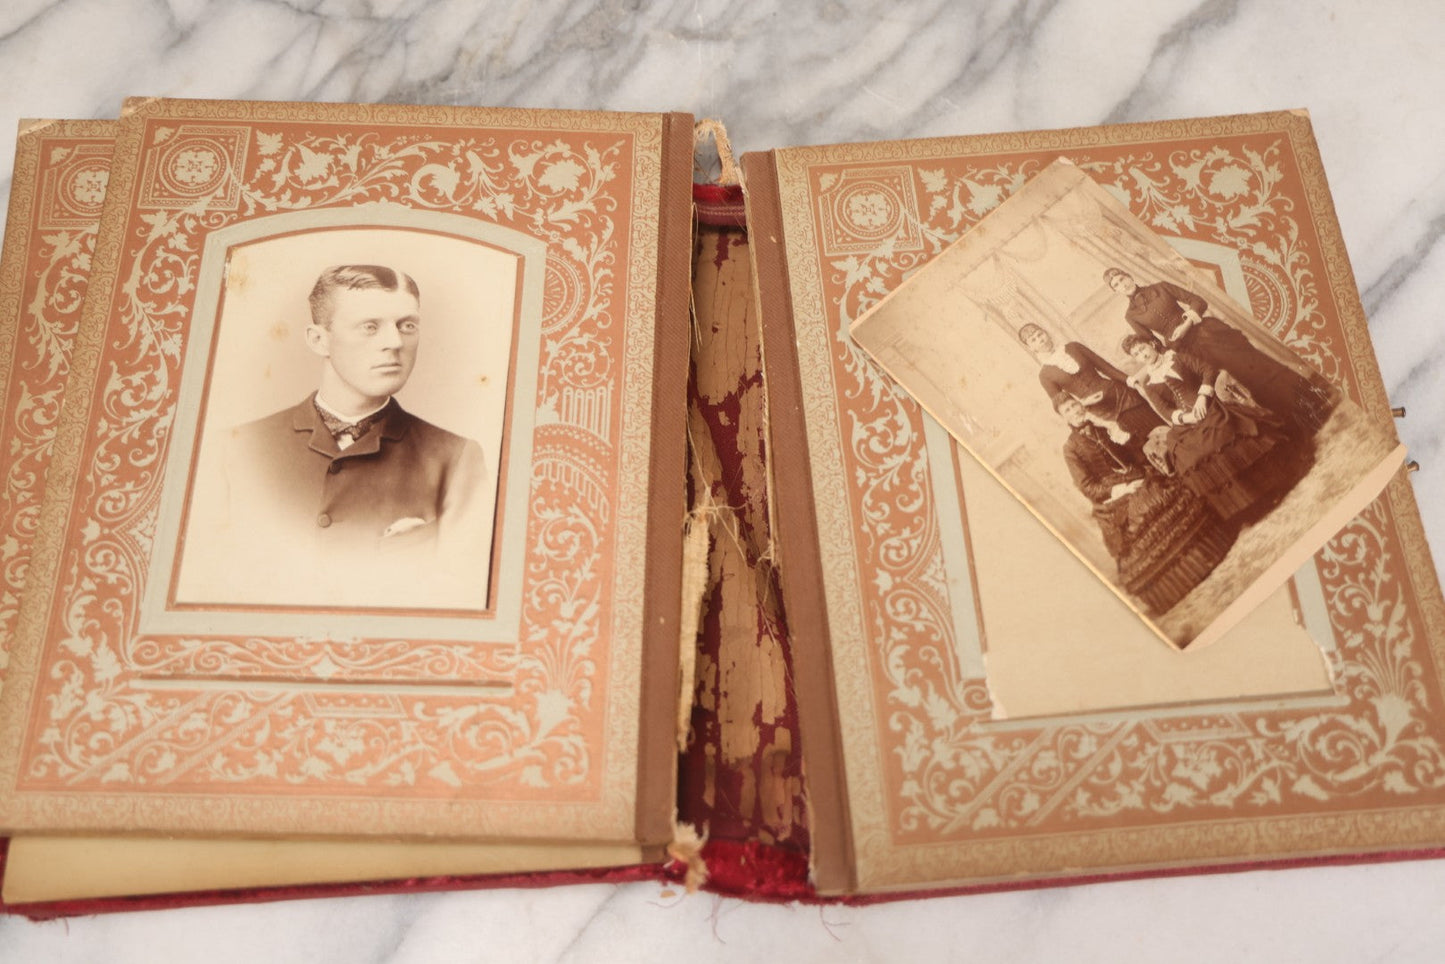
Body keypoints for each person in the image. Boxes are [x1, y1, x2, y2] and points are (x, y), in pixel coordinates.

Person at [181, 264, 492, 609]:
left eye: (407, 326)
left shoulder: (455, 458)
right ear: (318, 340)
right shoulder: (235, 450)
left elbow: (463, 599)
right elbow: (200, 586)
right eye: (369, 327)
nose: (394, 343)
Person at [1056, 395, 1234, 616]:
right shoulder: (1070, 448)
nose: (1074, 410)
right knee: (1146, 509)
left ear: (1081, 404)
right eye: (1068, 410)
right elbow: (1087, 486)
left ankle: (1214, 546)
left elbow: (1133, 453)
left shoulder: (1103, 427)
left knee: (1169, 491)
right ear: (1064, 418)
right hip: (1115, 496)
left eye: (1075, 405)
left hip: (1137, 476)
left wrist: (1121, 435)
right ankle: (1177, 584)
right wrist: (1120, 489)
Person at [1103, 267, 1333, 435]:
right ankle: (1297, 424)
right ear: (1115, 292)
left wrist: (1187, 323)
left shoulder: (1160, 287)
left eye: (1123, 279)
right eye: (1117, 285)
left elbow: (1197, 302)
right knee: (1239, 385)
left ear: (1130, 276)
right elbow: (1152, 344)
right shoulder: (1131, 316)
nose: (1123, 285)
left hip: (1209, 334)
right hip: (1188, 353)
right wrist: (1171, 350)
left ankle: (1313, 403)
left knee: (1255, 367)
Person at [1122, 333, 1305, 525]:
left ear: (1152, 344)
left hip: (1210, 405)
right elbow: (1165, 410)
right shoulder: (1149, 383)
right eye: (1136, 354)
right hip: (1187, 422)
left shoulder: (1176, 357)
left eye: (1142, 348)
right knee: (1192, 455)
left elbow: (1207, 370)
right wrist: (1187, 417)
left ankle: (1271, 485)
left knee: (1221, 436)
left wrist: (1203, 396)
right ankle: (1249, 503)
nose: (1142, 355)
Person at [1019, 323, 1163, 459]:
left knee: (1158, 429)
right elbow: (1063, 407)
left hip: (1121, 396)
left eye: (1040, 334)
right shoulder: (1045, 375)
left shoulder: (1074, 347)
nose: (1040, 340)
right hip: (1100, 415)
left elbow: (1105, 367)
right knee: (1143, 451)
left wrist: (1130, 381)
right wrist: (1085, 402)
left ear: (1046, 333)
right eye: (1034, 340)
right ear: (1031, 347)